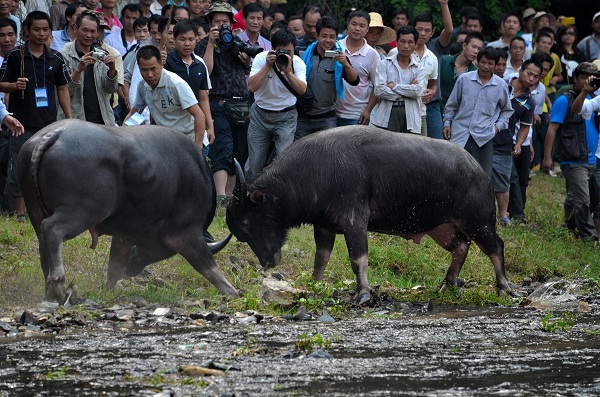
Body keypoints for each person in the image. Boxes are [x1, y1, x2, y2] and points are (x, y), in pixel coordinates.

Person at [0, 11, 72, 222]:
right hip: (20, 123)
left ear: (50, 32)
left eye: (45, 30)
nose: (41, 34)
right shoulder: (15, 56)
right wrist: (14, 86)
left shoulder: (56, 58)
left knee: (47, 168)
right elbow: (1, 84)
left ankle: (45, 211)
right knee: (19, 167)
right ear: (27, 32)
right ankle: (20, 214)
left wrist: (69, 118)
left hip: (48, 123)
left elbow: (62, 89)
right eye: (36, 29)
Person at [195, 1, 251, 206]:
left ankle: (230, 197)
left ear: (232, 23)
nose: (221, 25)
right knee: (223, 148)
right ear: (210, 23)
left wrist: (246, 61)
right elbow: (206, 71)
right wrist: (210, 43)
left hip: (241, 102)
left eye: (225, 21)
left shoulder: (236, 41)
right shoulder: (202, 44)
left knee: (239, 150)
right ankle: (220, 196)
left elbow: (246, 70)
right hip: (217, 101)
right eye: (217, 21)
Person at [543, 62, 600, 240]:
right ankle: (589, 237)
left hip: (592, 159)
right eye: (583, 77)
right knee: (582, 201)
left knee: (591, 200)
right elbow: (552, 129)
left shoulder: (595, 98)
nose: (587, 81)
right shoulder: (564, 100)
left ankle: (570, 226)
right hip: (573, 157)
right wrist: (547, 157)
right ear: (575, 78)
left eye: (591, 78)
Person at [245, 29, 306, 183]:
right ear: (272, 49)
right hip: (260, 116)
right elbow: (251, 87)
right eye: (281, 51)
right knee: (254, 164)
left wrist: (288, 72)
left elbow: (301, 90)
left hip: (286, 118)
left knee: (283, 162)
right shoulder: (261, 58)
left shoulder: (297, 63)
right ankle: (249, 196)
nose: (285, 55)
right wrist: (267, 66)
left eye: (289, 52)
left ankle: (278, 198)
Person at [443, 47, 513, 176]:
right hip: (460, 133)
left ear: (495, 65)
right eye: (483, 62)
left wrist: (496, 128)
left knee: (481, 175)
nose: (486, 67)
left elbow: (507, 110)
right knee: (454, 172)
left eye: (490, 64)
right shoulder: (464, 79)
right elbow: (452, 105)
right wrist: (447, 123)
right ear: (477, 62)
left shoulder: (500, 85)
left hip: (484, 136)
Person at [125, 45, 211, 150]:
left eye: (153, 69)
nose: (149, 74)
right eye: (144, 70)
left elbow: (199, 115)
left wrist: (197, 148)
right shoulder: (143, 86)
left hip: (190, 141)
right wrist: (121, 135)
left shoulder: (175, 84)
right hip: (167, 143)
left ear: (161, 65)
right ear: (139, 68)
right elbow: (136, 114)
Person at [493, 59, 540, 226]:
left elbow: (525, 127)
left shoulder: (529, 102)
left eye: (536, 77)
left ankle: (508, 215)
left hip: (505, 141)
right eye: (529, 73)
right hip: (483, 136)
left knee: (507, 179)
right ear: (520, 71)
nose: (531, 78)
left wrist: (519, 143)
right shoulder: (500, 84)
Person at [295, 15, 359, 140]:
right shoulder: (304, 54)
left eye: (332, 37)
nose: (328, 40)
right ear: (317, 36)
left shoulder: (340, 57)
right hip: (302, 117)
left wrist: (345, 64)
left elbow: (354, 81)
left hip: (326, 117)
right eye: (324, 36)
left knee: (327, 155)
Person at [59, 11, 119, 125]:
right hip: (77, 121)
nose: (89, 35)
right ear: (75, 29)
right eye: (85, 30)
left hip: (103, 120)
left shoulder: (102, 55)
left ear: (97, 34)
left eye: (93, 31)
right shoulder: (64, 56)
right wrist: (79, 69)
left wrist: (112, 70)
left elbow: (111, 90)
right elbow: (65, 91)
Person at [165, 20, 213, 154]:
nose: (187, 44)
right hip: (170, 125)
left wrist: (210, 125)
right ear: (174, 40)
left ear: (196, 40)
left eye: (191, 39)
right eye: (182, 39)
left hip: (195, 125)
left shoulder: (200, 64)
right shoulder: (166, 62)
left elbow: (203, 98)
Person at [372, 25, 425, 134]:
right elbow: (379, 90)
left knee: (410, 149)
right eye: (402, 41)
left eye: (410, 42)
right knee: (387, 149)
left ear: (415, 45)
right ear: (396, 43)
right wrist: (408, 91)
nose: (405, 46)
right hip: (388, 113)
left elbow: (417, 92)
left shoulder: (419, 68)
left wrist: (394, 86)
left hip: (411, 116)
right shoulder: (384, 64)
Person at [335, 10, 379, 127]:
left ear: (367, 29)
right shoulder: (336, 47)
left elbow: (377, 86)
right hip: (332, 112)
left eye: (362, 26)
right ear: (347, 25)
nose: (357, 28)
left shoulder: (373, 55)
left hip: (357, 114)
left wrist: (368, 110)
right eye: (354, 24)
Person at [439, 31, 483, 110]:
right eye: (473, 46)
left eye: (479, 49)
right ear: (464, 45)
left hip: (458, 117)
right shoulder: (443, 61)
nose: (476, 51)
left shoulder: (475, 73)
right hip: (437, 111)